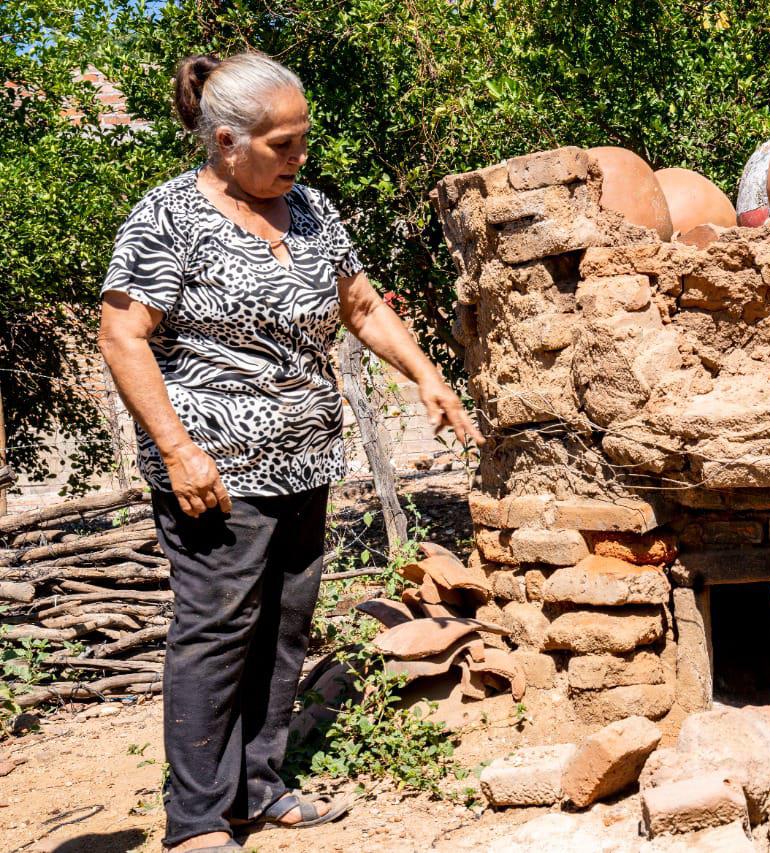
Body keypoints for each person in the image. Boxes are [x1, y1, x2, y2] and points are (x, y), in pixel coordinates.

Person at [97, 51, 482, 853]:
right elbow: (122, 335)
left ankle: (260, 788)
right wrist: (178, 449)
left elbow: (360, 304)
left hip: (305, 458)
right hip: (215, 470)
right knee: (215, 629)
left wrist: (426, 376)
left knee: (282, 627)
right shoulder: (166, 217)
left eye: (303, 141)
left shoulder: (309, 211)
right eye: (283, 145)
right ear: (227, 140)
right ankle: (197, 818)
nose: (299, 158)